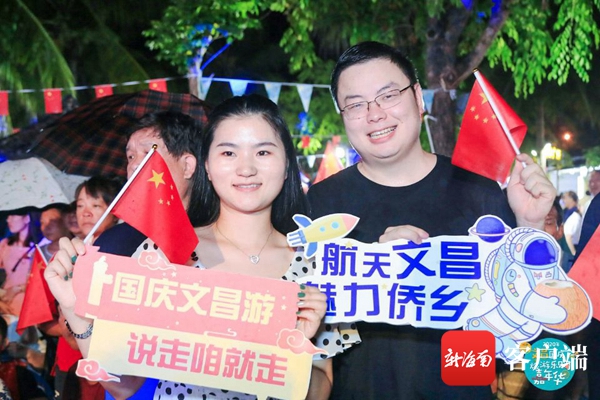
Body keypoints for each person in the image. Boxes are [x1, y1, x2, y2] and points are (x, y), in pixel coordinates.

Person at [307, 41, 556, 399]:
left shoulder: (480, 193)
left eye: (388, 95)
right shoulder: (320, 207)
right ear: (343, 115)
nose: (375, 114)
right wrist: (376, 270)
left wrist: (529, 226)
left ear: (418, 98)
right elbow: (311, 336)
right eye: (356, 104)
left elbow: (526, 330)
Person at [44, 98, 333, 399]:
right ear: (206, 166)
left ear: (286, 164)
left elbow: (320, 389)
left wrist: (296, 353)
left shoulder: (315, 264)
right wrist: (74, 310)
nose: (246, 168)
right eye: (228, 152)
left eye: (263, 152)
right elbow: (124, 385)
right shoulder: (165, 254)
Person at [0, 215, 40, 318]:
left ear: (27, 218)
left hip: (32, 309)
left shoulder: (42, 246)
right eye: (8, 216)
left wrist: (17, 289)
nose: (8, 219)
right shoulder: (5, 244)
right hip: (6, 308)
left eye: (13, 216)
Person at [562, 190, 581, 257]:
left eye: (565, 198)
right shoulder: (565, 213)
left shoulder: (575, 216)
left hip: (571, 247)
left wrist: (573, 254)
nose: (563, 200)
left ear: (571, 199)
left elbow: (568, 236)